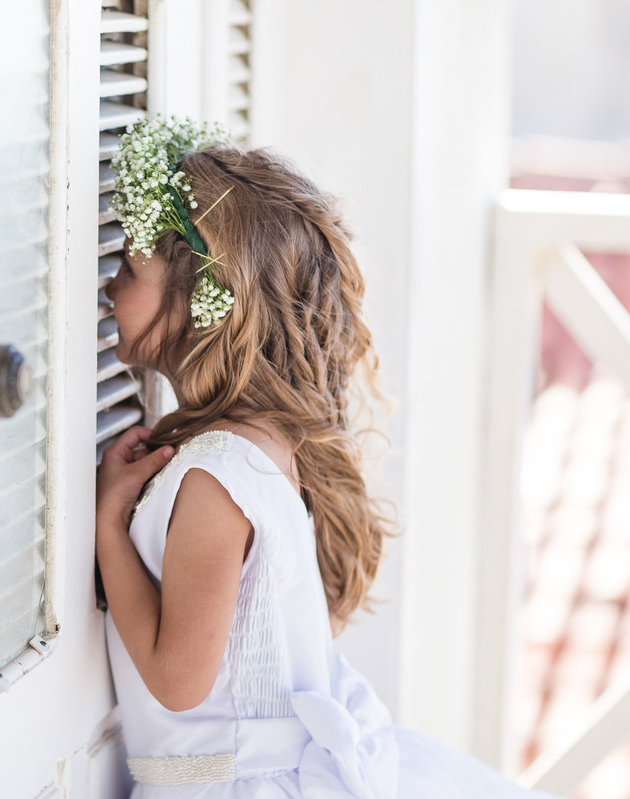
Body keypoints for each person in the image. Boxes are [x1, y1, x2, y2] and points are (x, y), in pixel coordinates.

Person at [94, 116, 557, 798]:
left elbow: (177, 680)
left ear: (204, 306)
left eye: (128, 267)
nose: (106, 285)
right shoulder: (263, 442)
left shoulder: (214, 474)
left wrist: (108, 528)